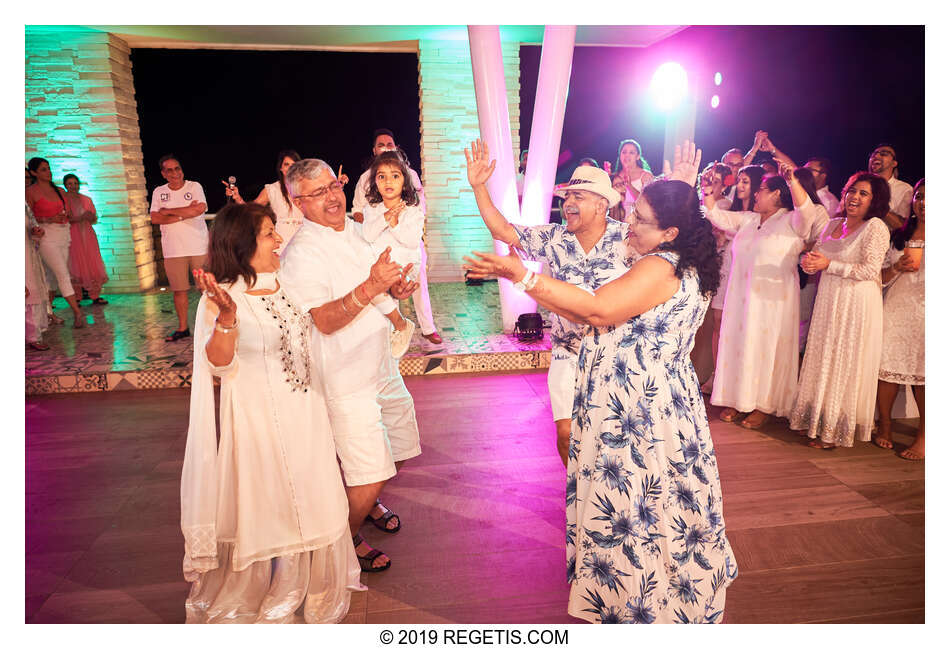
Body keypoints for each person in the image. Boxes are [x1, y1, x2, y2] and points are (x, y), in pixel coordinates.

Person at [463, 140, 737, 624]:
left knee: (632, 504)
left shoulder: (658, 263)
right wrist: (685, 191)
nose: (629, 222)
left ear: (668, 231)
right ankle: (666, 599)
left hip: (634, 407)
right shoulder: (685, 256)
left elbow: (596, 308)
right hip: (658, 399)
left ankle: (632, 602)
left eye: (639, 218)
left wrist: (520, 275)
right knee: (662, 501)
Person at [180, 202, 361, 623]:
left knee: (313, 496)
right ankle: (273, 586)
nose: (279, 240)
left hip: (307, 415)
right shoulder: (222, 298)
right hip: (261, 420)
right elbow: (219, 366)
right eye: (268, 234)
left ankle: (313, 583)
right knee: (273, 504)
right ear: (242, 245)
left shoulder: (288, 283)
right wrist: (227, 318)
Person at [280, 158, 422, 573]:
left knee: (398, 445)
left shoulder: (360, 230)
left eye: (333, 186)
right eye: (317, 192)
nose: (331, 196)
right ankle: (342, 542)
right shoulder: (302, 253)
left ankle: (367, 503)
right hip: (344, 378)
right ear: (298, 202)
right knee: (368, 470)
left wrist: (396, 286)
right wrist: (372, 286)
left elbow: (383, 281)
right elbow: (323, 320)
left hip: (379, 363)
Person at [465, 139, 635, 468]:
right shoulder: (554, 238)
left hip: (617, 356)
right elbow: (503, 230)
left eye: (578, 197)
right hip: (567, 352)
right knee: (567, 434)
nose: (568, 203)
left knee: (613, 441)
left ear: (601, 205)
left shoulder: (628, 238)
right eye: (567, 196)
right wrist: (478, 186)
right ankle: (576, 492)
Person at [703, 165, 820, 430]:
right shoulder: (748, 219)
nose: (755, 195)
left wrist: (792, 180)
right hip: (741, 298)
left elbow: (808, 211)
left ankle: (762, 405)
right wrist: (707, 191)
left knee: (765, 347)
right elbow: (716, 215)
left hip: (772, 299)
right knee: (740, 344)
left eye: (761, 191)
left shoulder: (792, 220)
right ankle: (736, 398)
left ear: (777, 194)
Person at [790, 172, 891, 449]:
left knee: (845, 361)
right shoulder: (833, 223)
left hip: (856, 303)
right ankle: (815, 419)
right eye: (852, 191)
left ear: (875, 201)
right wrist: (808, 263)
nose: (854, 197)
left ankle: (834, 429)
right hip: (828, 299)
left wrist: (829, 266)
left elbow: (871, 271)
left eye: (863, 193)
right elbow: (818, 257)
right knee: (823, 356)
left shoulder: (876, 228)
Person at [353, 129, 442, 345]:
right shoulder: (366, 179)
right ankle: (395, 329)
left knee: (416, 284)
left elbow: (417, 211)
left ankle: (427, 327)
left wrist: (394, 221)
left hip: (408, 250)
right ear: (374, 149)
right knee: (381, 294)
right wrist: (380, 219)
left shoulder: (409, 174)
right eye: (381, 144)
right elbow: (358, 211)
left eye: (389, 143)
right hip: (381, 252)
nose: (385, 147)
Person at [873, 178, 924, 460]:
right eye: (920, 196)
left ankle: (924, 435)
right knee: (887, 369)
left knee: (926, 376)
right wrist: (896, 267)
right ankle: (886, 425)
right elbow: (877, 277)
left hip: (928, 312)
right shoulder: (898, 237)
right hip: (896, 308)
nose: (924, 202)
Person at [360, 150, 424, 357]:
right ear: (375, 182)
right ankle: (396, 329)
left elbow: (413, 241)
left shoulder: (413, 210)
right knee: (369, 287)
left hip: (404, 265)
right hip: (381, 265)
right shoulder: (373, 207)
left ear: (404, 181)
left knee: (378, 286)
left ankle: (398, 327)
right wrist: (385, 218)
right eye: (382, 176)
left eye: (395, 176)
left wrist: (395, 224)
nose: (388, 180)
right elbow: (368, 235)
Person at [149, 154, 209, 342]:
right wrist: (184, 213)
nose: (175, 173)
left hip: (198, 246)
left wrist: (169, 211)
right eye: (170, 170)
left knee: (205, 289)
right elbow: (155, 218)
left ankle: (211, 325)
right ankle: (183, 328)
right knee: (179, 290)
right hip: (173, 250)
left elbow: (199, 209)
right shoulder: (159, 192)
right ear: (163, 174)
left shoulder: (194, 186)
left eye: (177, 168)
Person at [25, 157, 84, 329]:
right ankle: (77, 313)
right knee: (62, 274)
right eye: (43, 169)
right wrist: (48, 218)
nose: (48, 171)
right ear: (34, 172)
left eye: (48, 168)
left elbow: (69, 212)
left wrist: (66, 215)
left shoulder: (59, 190)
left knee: (51, 277)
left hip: (63, 234)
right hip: (46, 236)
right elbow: (28, 216)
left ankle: (49, 313)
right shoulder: (30, 192)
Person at [694, 163, 736, 394]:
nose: (713, 185)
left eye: (718, 181)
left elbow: (719, 234)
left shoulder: (727, 208)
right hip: (703, 260)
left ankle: (712, 373)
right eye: (710, 180)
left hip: (719, 262)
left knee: (715, 321)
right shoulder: (702, 205)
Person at [223, 149, 306, 252]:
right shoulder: (272, 189)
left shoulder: (307, 187)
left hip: (304, 236)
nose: (290, 168)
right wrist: (237, 197)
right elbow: (252, 209)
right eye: (286, 164)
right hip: (282, 239)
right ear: (281, 168)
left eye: (293, 165)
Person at [790, 167, 831, 355]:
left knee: (799, 325)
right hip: (784, 271)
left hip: (805, 274)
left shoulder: (818, 209)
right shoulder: (786, 210)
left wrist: (798, 246)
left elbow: (821, 241)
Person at [63, 173, 109, 305]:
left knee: (92, 262)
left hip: (88, 234)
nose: (73, 186)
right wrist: (79, 218)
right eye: (70, 184)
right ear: (65, 185)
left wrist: (88, 217)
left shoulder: (86, 199)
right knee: (75, 263)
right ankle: (77, 297)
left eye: (75, 183)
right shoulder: (63, 200)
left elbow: (94, 219)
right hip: (72, 234)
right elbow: (64, 218)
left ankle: (95, 295)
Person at [868, 143, 912, 231]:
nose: (876, 155)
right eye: (873, 154)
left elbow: (903, 226)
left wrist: (879, 207)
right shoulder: (858, 185)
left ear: (894, 163)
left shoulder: (905, 189)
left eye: (884, 153)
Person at [26, 202, 51, 350]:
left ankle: (33, 336)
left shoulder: (24, 204)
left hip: (28, 256)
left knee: (32, 292)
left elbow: (32, 228)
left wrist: (36, 233)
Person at [613, 139, 654, 218]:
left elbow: (648, 203)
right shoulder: (615, 176)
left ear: (638, 156)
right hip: (617, 221)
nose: (627, 155)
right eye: (624, 152)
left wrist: (630, 186)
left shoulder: (646, 176)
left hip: (637, 222)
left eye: (631, 152)